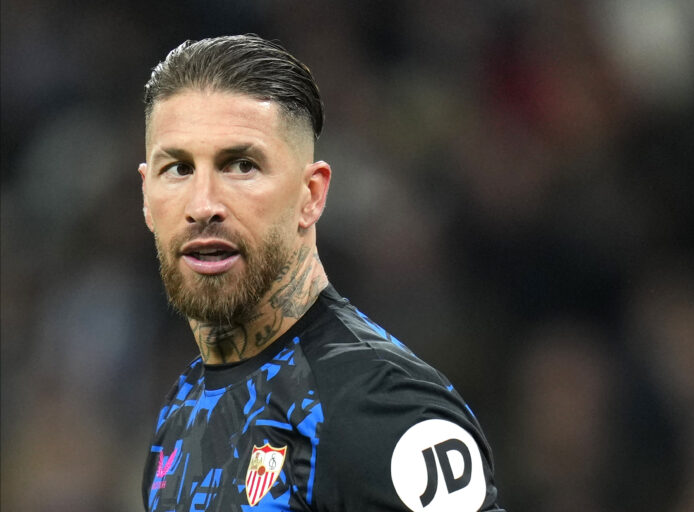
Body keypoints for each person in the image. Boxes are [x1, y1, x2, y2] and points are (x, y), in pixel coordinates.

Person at [139, 34, 504, 511]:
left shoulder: (379, 406)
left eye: (241, 165)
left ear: (310, 195)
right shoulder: (181, 409)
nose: (203, 205)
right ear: (147, 197)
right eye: (179, 169)